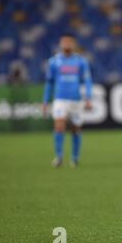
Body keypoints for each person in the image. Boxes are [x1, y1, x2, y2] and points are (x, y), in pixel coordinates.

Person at [42, 34, 92, 168]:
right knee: (59, 126)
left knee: (75, 129)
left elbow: (87, 80)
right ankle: (58, 157)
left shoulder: (81, 61)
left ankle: (74, 158)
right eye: (64, 41)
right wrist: (45, 101)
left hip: (75, 100)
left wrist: (88, 98)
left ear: (74, 44)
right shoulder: (53, 61)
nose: (67, 44)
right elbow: (49, 82)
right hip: (60, 99)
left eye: (69, 42)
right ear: (60, 43)